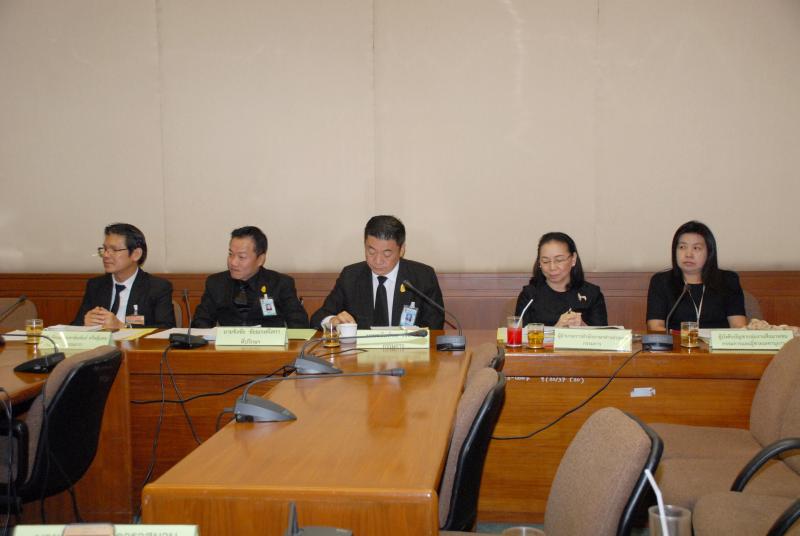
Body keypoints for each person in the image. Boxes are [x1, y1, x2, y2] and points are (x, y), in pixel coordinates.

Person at [310, 215, 445, 330]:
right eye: (371, 251)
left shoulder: (422, 277)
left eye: (387, 254)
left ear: (402, 250)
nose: (378, 261)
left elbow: (435, 325)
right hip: (360, 352)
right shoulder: (350, 276)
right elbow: (318, 318)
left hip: (408, 352)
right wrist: (332, 321)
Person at [192, 226, 308, 328]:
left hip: (269, 346)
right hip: (226, 346)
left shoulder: (280, 284)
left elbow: (299, 325)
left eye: (241, 257)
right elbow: (200, 323)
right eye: (231, 254)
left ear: (260, 259)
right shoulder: (216, 283)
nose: (233, 262)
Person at [646, 220, 746, 332]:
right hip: (677, 343)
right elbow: (655, 327)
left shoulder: (728, 281)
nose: (688, 254)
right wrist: (684, 338)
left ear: (709, 252)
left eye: (696, 248)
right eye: (682, 247)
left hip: (717, 343)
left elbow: (738, 326)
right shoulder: (661, 282)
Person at [73, 223, 175, 329]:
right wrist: (84, 324)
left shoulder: (157, 287)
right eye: (105, 249)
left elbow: (165, 328)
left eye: (114, 250)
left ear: (136, 254)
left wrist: (123, 327)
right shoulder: (95, 285)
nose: (106, 255)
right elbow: (74, 326)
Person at [514, 232, 607, 327]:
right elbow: (518, 333)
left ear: (573, 259)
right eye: (545, 261)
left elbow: (603, 335)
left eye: (559, 260)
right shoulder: (529, 295)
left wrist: (582, 326)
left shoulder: (592, 294)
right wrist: (556, 329)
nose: (552, 267)